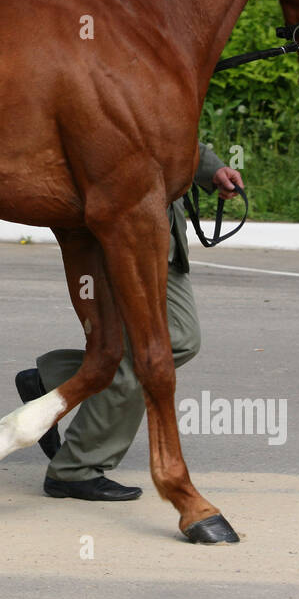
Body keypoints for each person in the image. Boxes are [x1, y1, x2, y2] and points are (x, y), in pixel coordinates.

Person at [15, 142, 242, 501]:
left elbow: (166, 124)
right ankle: (76, 468)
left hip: (158, 225)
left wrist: (207, 168)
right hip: (127, 227)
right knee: (143, 354)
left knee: (179, 338)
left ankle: (53, 378)